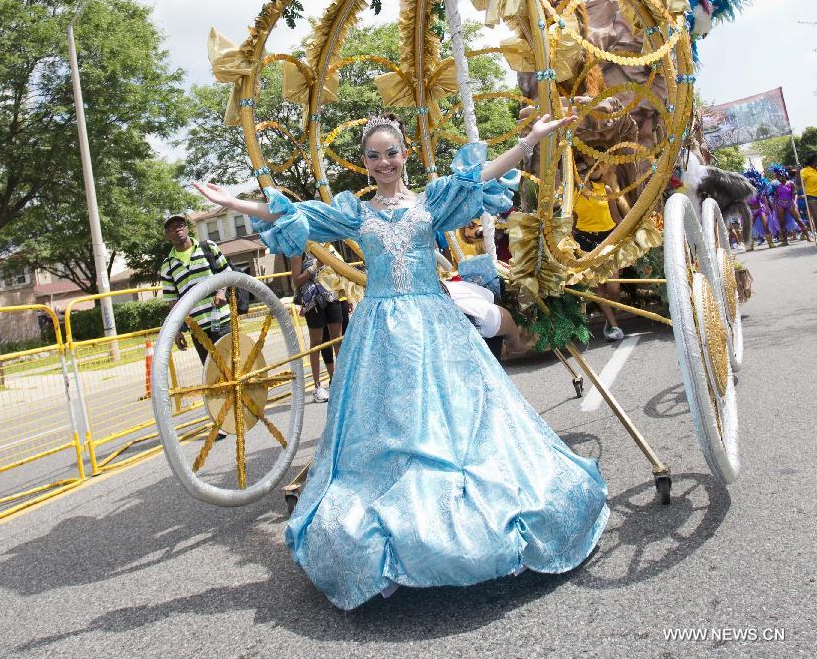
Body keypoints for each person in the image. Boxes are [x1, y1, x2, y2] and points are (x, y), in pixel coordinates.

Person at [192, 111, 610, 612]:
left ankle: (478, 526)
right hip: (379, 334)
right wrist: (233, 202)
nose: (384, 162)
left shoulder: (433, 200)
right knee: (388, 432)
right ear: (364, 163)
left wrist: (529, 141)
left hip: (436, 323)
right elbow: (291, 214)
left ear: (405, 154)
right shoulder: (354, 213)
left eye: (391, 152)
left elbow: (481, 176)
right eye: (374, 156)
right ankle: (396, 542)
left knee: (464, 422)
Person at [160, 213, 230, 364]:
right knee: (212, 373)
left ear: (186, 229)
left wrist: (221, 291)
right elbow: (172, 302)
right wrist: (177, 331)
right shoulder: (168, 266)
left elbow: (227, 273)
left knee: (232, 364)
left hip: (221, 320)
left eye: (180, 225)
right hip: (197, 329)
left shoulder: (208, 247)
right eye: (172, 228)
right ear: (167, 235)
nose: (177, 230)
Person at [572, 166, 626, 342]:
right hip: (584, 242)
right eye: (578, 172)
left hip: (607, 240)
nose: (582, 174)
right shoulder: (570, 196)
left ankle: (611, 313)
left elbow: (617, 218)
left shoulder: (605, 189)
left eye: (584, 171)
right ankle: (614, 324)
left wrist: (628, 234)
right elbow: (572, 223)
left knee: (613, 288)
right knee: (597, 288)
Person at [290, 251, 341, 403]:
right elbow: (297, 281)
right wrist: (314, 267)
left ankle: (339, 380)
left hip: (332, 296)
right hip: (312, 302)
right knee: (316, 343)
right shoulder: (297, 252)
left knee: (337, 340)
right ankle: (317, 387)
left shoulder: (323, 245)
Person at [769, 164, 811, 245]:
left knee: (798, 220)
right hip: (780, 205)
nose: (778, 178)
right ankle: (785, 241)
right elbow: (776, 196)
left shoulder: (790, 183)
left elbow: (795, 193)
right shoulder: (777, 186)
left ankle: (808, 236)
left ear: (784, 175)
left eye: (779, 176)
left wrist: (794, 201)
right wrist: (773, 202)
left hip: (790, 203)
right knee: (782, 222)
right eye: (777, 177)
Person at [800, 155, 817, 230]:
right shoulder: (805, 171)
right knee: (816, 215)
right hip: (812, 196)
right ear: (813, 161)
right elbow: (798, 182)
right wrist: (798, 171)